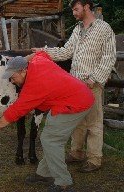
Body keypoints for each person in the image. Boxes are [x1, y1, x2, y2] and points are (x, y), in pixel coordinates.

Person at [0, 51, 94, 191]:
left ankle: (63, 182)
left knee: (51, 140)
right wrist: (20, 59)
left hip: (77, 103)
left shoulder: (34, 86)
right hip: (74, 96)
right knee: (50, 138)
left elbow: (14, 113)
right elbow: (41, 53)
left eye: (13, 76)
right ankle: (44, 173)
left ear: (23, 71)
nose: (11, 81)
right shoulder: (38, 62)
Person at [32, 0, 116, 173]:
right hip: (75, 85)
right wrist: (43, 51)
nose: (73, 13)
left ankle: (94, 159)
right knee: (77, 121)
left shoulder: (104, 28)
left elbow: (108, 57)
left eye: (76, 9)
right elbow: (66, 52)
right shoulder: (78, 29)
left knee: (94, 122)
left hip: (92, 84)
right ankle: (76, 153)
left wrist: (94, 78)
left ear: (86, 7)